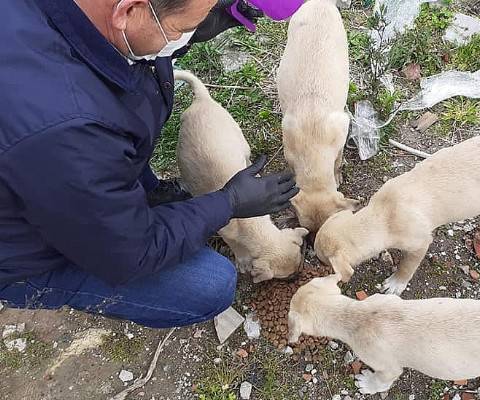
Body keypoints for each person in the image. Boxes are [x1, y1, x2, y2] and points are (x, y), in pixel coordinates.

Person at [0, 0, 298, 328]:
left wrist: (192, 30)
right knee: (210, 282)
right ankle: (34, 284)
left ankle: (136, 200)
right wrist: (228, 202)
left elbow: (119, 54)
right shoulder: (68, 130)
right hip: (20, 253)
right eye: (182, 30)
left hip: (57, 171)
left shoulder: (87, 20)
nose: (183, 38)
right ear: (128, 11)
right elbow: (130, 254)